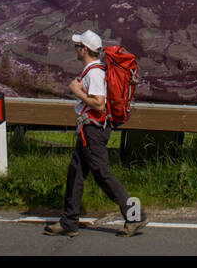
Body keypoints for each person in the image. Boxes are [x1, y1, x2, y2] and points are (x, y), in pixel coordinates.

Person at [44, 30, 148, 238]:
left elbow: (99, 105)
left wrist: (77, 91)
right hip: (89, 129)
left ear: (84, 49)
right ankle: (69, 221)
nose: (75, 48)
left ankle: (135, 216)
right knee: (76, 173)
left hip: (93, 131)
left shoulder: (94, 73)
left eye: (78, 45)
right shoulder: (95, 70)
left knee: (103, 175)